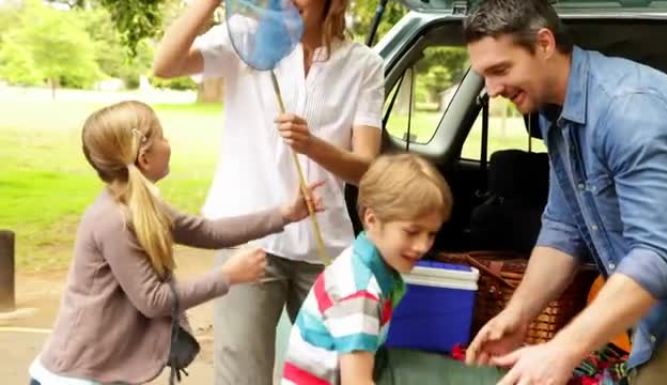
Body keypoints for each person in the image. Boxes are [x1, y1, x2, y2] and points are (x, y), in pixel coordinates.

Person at [152, 0, 385, 383]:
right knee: (242, 375)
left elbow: (368, 169)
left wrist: (314, 146)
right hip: (249, 239)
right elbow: (165, 66)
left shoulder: (364, 65)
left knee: (335, 374)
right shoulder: (245, 37)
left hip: (323, 244)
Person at [462, 1, 667, 384]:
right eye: (484, 75)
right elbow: (564, 227)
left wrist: (564, 348)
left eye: (501, 70)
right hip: (657, 316)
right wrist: (517, 315)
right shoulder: (556, 115)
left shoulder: (628, 112)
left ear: (544, 43)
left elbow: (660, 256)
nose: (492, 90)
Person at [28, 101, 323, 385]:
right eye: (162, 136)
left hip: (105, 372)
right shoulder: (112, 219)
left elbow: (208, 232)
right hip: (76, 376)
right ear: (144, 158)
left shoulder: (141, 204)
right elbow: (153, 300)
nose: (168, 142)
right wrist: (227, 277)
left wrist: (285, 213)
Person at [280, 153, 453, 385]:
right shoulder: (360, 293)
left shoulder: (368, 263)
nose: (423, 246)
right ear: (371, 219)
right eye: (412, 232)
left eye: (431, 234)